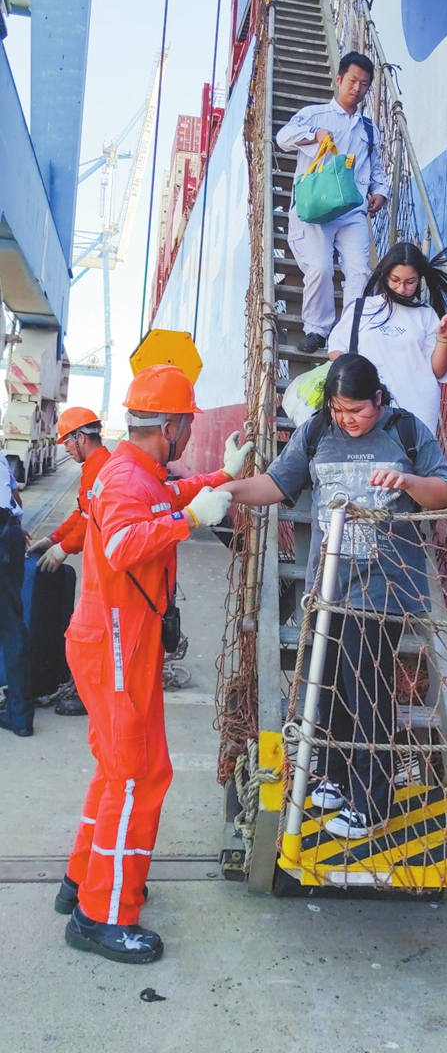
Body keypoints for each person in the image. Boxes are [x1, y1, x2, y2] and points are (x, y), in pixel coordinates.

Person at [57, 364, 252, 965]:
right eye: (188, 424)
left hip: (122, 640)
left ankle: (83, 881)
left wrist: (225, 475)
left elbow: (171, 494)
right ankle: (103, 914)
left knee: (122, 769)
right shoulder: (122, 479)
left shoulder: (134, 471)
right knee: (136, 774)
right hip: (118, 643)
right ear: (169, 426)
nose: (190, 434)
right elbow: (121, 544)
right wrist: (192, 521)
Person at [226, 354, 447, 840]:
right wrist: (222, 491)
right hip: (328, 590)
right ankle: (334, 774)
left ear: (378, 398)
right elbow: (274, 484)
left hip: (381, 591)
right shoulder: (316, 432)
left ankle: (372, 802)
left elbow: (446, 492)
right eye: (339, 410)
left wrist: (409, 482)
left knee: (368, 697)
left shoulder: (407, 431)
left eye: (357, 410)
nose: (348, 420)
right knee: (324, 686)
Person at [277, 51, 389, 354]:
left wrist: (381, 191)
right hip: (316, 207)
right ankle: (317, 329)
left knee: (359, 272)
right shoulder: (314, 115)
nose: (357, 88)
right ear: (339, 80)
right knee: (321, 267)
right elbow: (282, 137)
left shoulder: (370, 129)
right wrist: (313, 136)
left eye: (364, 84)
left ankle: (348, 335)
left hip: (352, 210)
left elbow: (376, 169)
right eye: (352, 81)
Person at [328, 241, 447, 434]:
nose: (401, 288)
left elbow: (438, 371)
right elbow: (335, 349)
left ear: (419, 280)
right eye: (395, 280)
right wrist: (357, 378)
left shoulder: (426, 315)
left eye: (410, 282)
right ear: (385, 275)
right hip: (368, 408)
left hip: (417, 409)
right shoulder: (362, 308)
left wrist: (443, 338)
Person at [27, 407, 111, 717]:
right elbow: (81, 512)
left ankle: (88, 693)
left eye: (67, 441)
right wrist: (53, 539)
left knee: (91, 633)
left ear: (81, 437)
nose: (64, 447)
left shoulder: (100, 468)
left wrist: (65, 548)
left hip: (106, 566)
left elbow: (92, 520)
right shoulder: (96, 466)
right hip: (100, 562)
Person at [0, 449, 32, 737]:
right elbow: (15, 498)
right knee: (11, 626)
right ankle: (21, 715)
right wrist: (15, 528)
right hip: (8, 534)